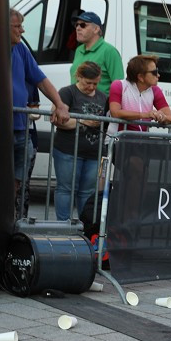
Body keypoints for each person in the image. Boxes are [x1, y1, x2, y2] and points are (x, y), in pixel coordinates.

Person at [10, 9, 70, 217]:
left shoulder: (20, 50)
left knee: (16, 185)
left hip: (21, 130)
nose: (22, 30)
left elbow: (41, 79)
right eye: (17, 26)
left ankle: (9, 228)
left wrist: (60, 104)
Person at [52, 61, 107, 221]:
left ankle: (85, 226)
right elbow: (57, 120)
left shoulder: (103, 97)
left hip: (94, 153)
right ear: (79, 77)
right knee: (66, 189)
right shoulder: (67, 92)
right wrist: (84, 121)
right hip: (67, 150)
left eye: (95, 83)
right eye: (88, 83)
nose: (92, 87)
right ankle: (63, 226)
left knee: (87, 192)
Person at [108, 54, 171, 131]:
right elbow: (115, 113)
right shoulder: (119, 85)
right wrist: (145, 115)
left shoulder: (155, 90)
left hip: (141, 140)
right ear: (140, 77)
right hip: (116, 139)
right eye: (154, 72)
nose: (158, 75)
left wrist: (162, 117)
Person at [69, 10, 123, 89]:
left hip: (100, 101)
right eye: (76, 25)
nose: (78, 28)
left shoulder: (109, 51)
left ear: (96, 29)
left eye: (83, 25)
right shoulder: (79, 50)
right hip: (76, 101)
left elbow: (119, 86)